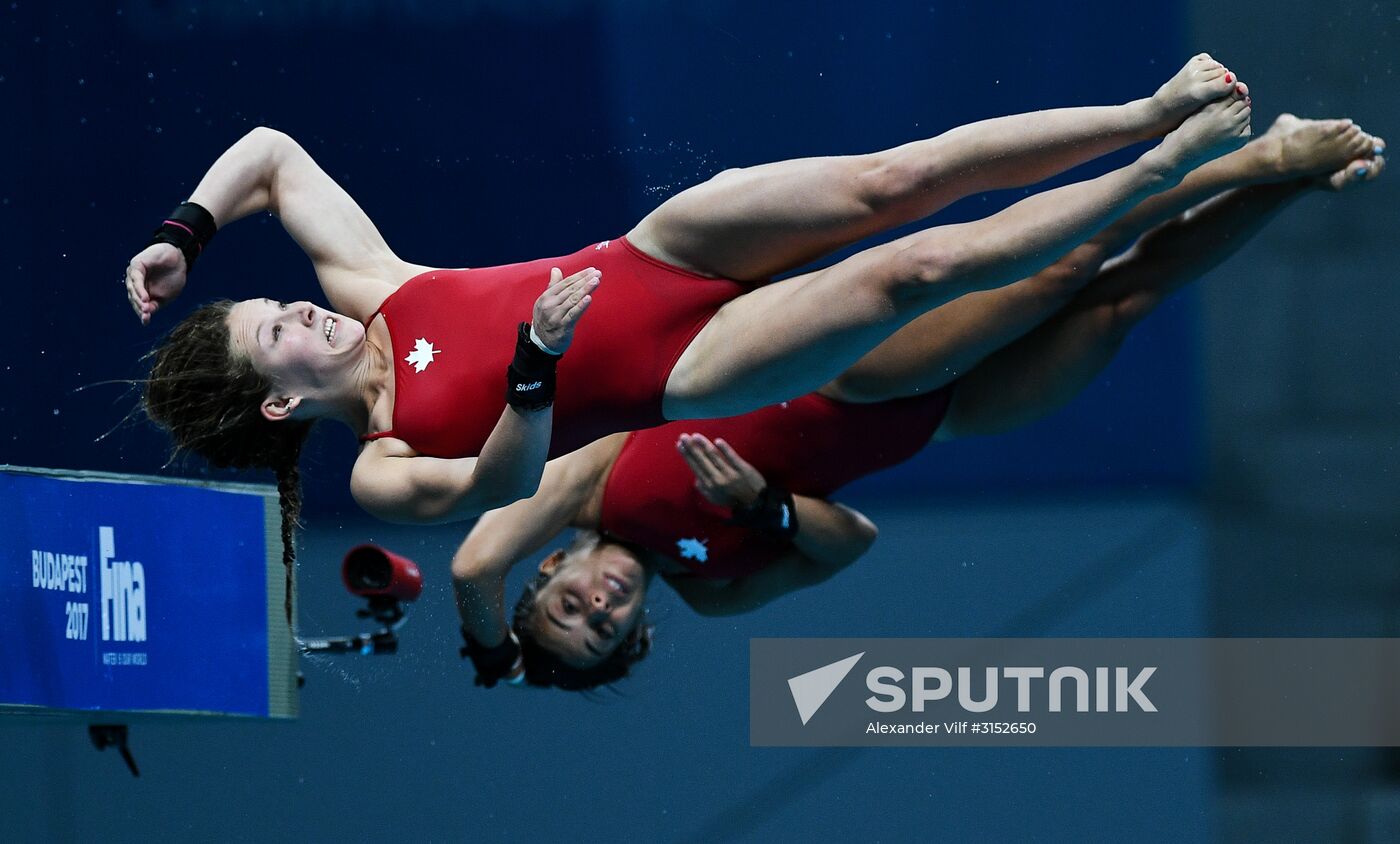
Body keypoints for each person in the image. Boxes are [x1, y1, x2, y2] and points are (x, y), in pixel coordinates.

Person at [129, 57, 1251, 623]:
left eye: (279, 299)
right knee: (918, 269)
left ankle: (1141, 116)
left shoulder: (372, 283)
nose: (304, 310)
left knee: (897, 179)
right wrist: (532, 374)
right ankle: (1150, 177)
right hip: (691, 366)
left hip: (656, 249)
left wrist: (190, 230)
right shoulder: (383, 461)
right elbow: (495, 484)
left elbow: (271, 153)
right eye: (277, 329)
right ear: (278, 398)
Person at [448, 114, 1385, 690]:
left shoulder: (581, 484)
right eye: (601, 636)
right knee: (1115, 311)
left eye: (566, 612)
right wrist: (764, 509)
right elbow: (850, 541)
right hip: (938, 419)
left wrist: (494, 655)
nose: (594, 611)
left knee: (1064, 264)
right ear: (636, 637)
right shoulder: (714, 589)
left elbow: (470, 567)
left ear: (548, 578)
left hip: (856, 374)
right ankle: (1293, 183)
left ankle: (1245, 158)